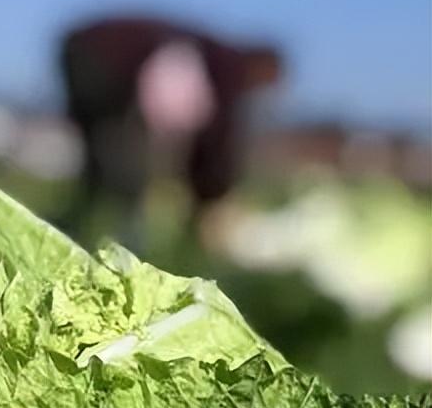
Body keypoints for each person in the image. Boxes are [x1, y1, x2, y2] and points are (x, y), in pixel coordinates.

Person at [59, 15, 283, 250]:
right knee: (122, 155)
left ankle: (78, 225)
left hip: (81, 47)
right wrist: (213, 193)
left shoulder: (211, 53)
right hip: (102, 56)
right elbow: (215, 138)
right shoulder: (227, 69)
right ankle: (119, 237)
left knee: (102, 152)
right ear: (261, 66)